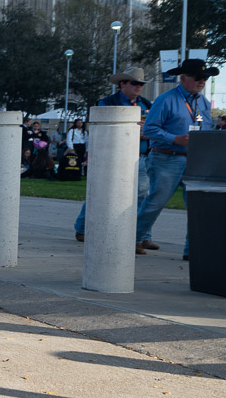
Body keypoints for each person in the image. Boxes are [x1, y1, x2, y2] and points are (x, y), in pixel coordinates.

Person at [135, 57, 218, 261]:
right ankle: (132, 238)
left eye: (205, 78)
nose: (202, 81)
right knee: (156, 201)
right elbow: (150, 128)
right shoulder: (166, 99)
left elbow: (206, 127)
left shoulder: (203, 102)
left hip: (195, 161)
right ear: (183, 78)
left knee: (197, 206)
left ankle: (192, 250)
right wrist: (175, 139)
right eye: (198, 77)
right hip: (166, 158)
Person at [74, 68, 152, 242]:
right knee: (101, 193)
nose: (138, 87)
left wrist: (148, 131)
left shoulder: (146, 104)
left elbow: (154, 125)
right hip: (113, 156)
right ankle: (82, 228)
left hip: (141, 155)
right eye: (135, 83)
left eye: (141, 84)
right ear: (122, 84)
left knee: (142, 195)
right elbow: (101, 127)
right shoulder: (107, 103)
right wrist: (132, 129)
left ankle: (142, 235)